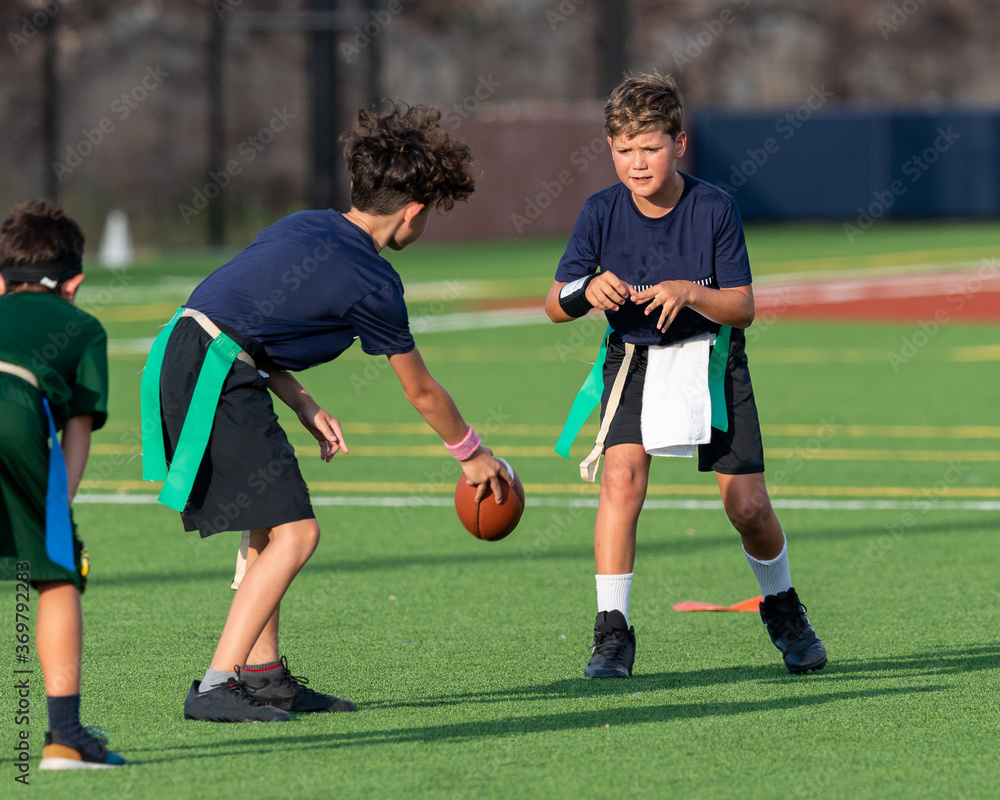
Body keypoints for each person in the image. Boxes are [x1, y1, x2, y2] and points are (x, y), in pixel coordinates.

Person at [141, 101, 514, 722]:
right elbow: (420, 390)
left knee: (270, 520)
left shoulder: (306, 224)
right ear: (413, 211)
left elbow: (245, 318)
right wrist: (473, 456)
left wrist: (304, 402)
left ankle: (264, 678)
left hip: (191, 351)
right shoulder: (374, 280)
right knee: (298, 532)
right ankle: (214, 685)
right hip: (213, 368)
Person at [544, 72, 826, 679]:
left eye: (650, 146)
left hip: (712, 358)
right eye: (624, 149)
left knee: (747, 506)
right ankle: (612, 632)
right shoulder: (600, 211)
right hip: (633, 360)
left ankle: (783, 607)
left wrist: (690, 293)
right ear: (610, 149)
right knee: (620, 478)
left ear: (679, 144)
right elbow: (554, 299)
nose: (637, 162)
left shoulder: (714, 207)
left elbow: (743, 306)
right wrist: (586, 288)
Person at [0, 200, 127, 768]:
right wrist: (60, 512)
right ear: (72, 284)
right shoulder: (81, 326)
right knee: (54, 578)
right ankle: (63, 737)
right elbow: (77, 429)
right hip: (17, 408)